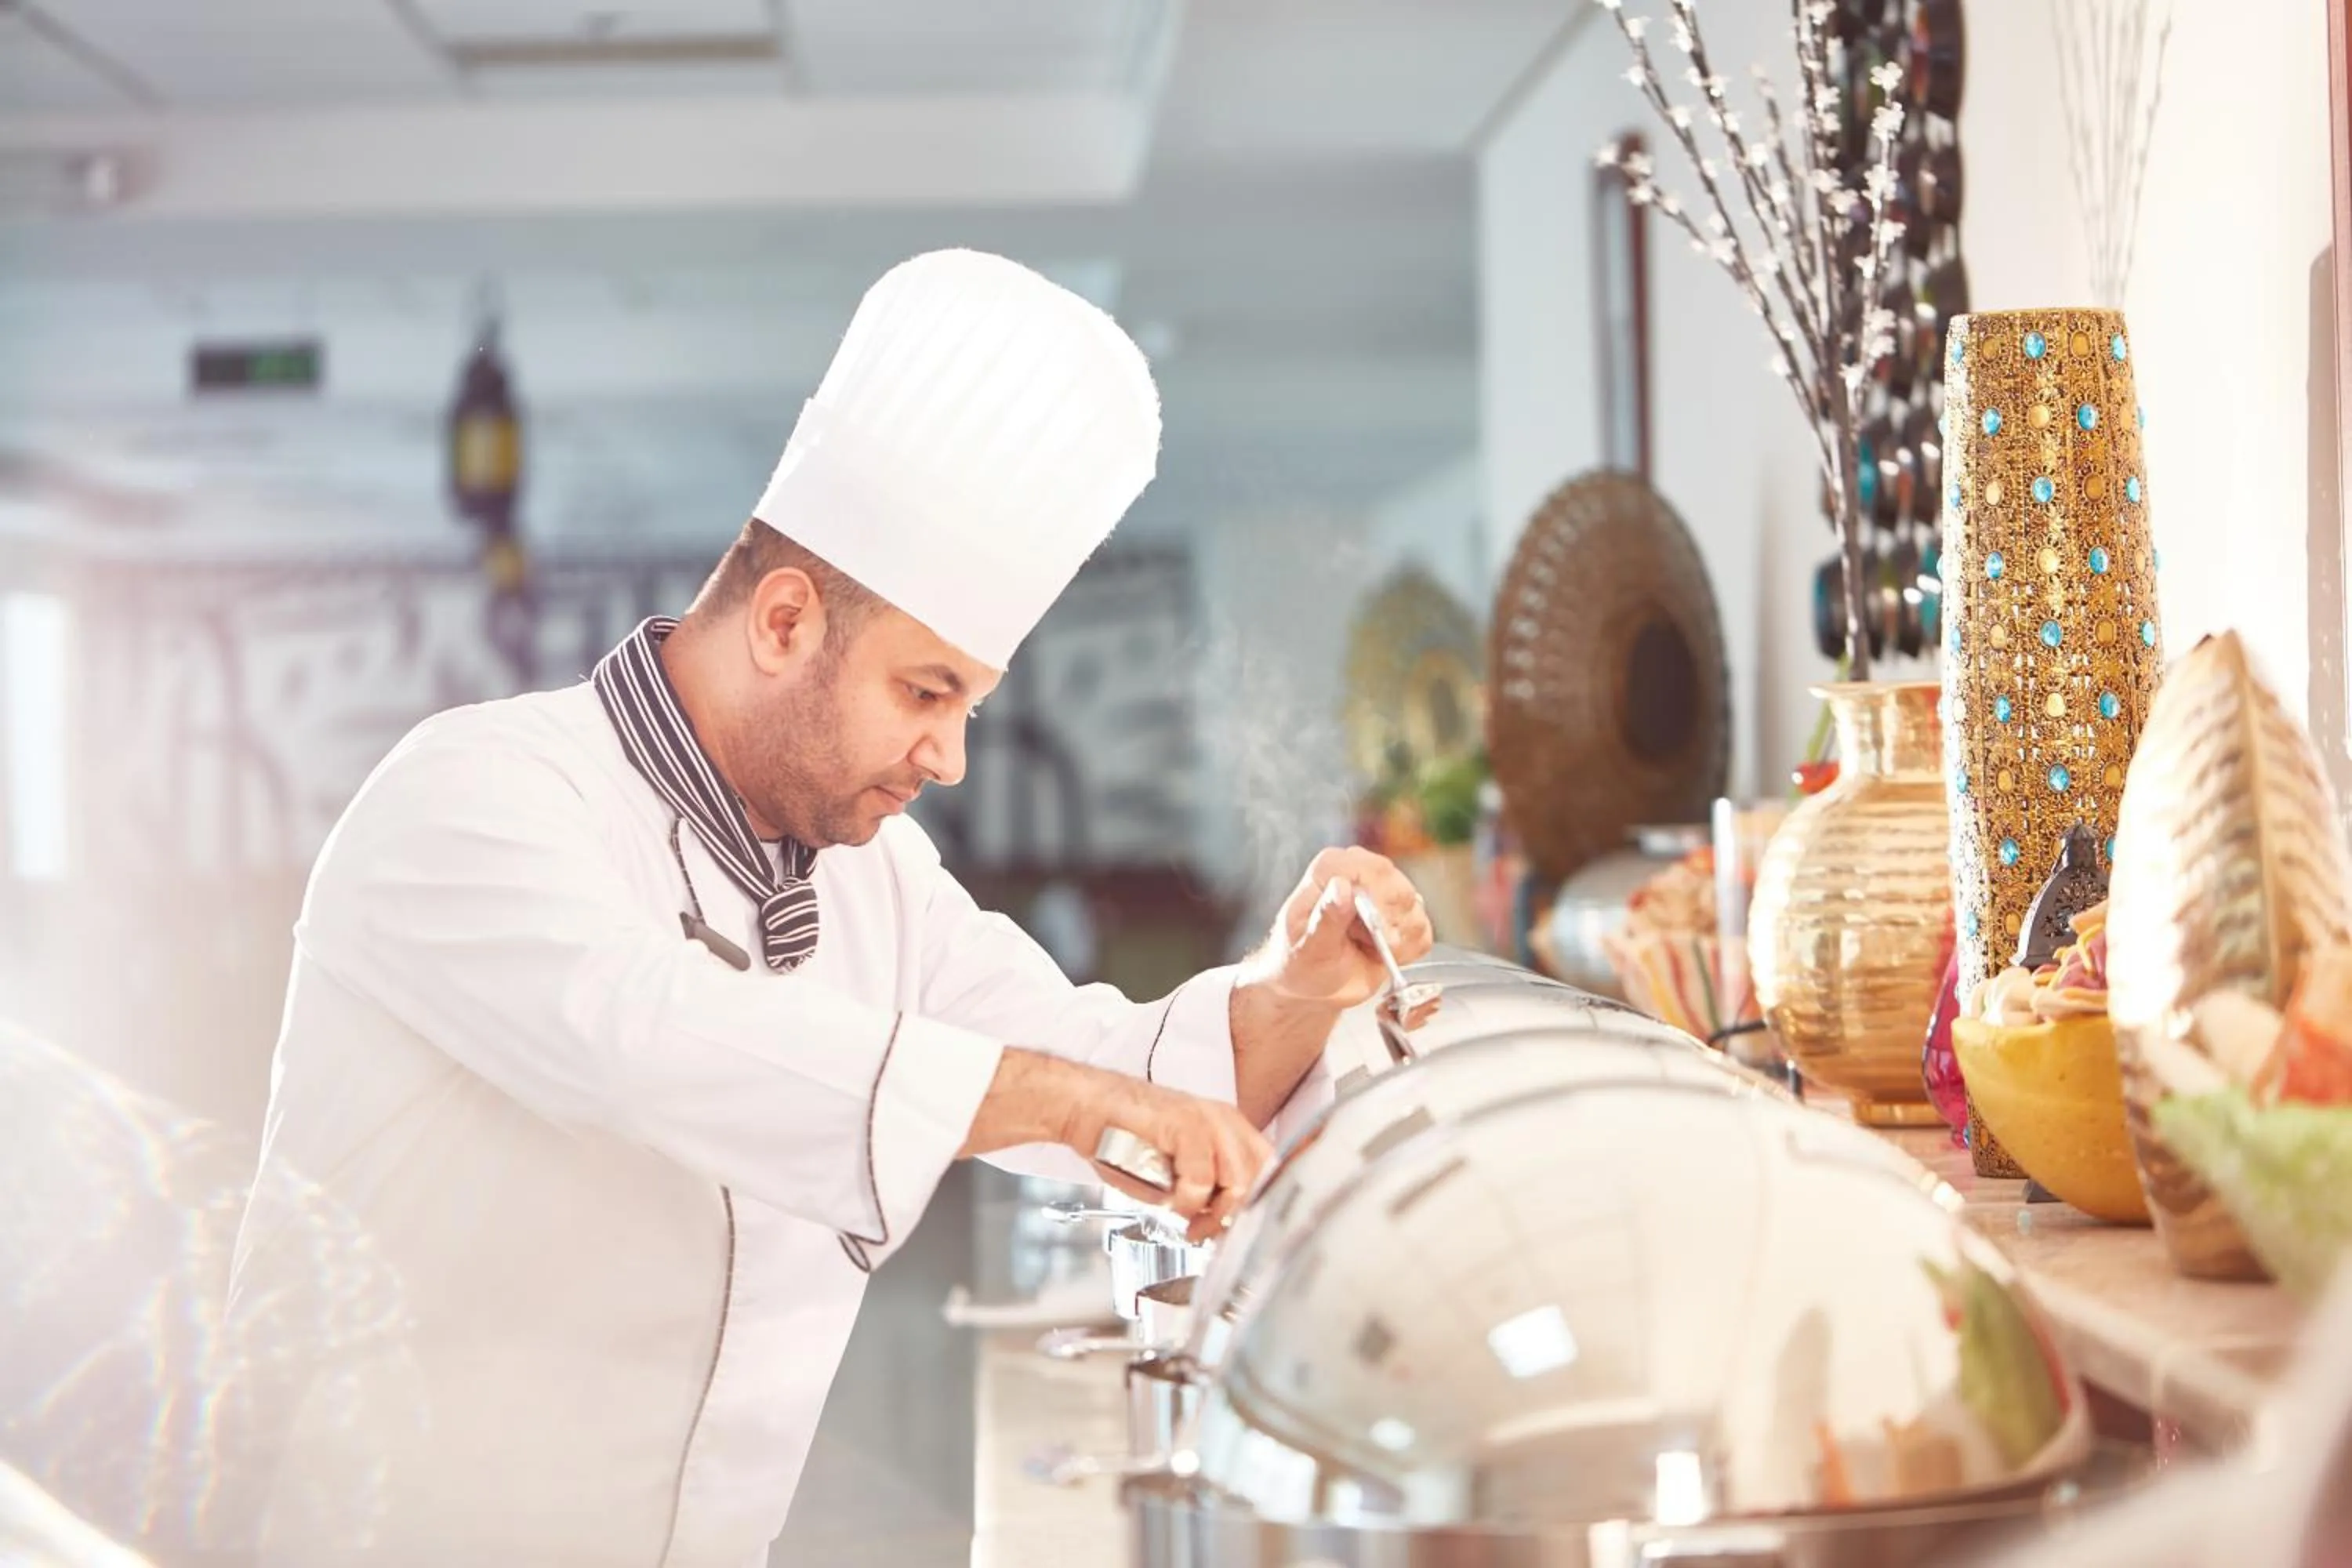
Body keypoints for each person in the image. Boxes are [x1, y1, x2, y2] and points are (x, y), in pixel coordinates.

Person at [227, 249, 1432, 1566]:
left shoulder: (875, 882)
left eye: (969, 706)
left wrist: (1294, 990)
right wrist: (1050, 1101)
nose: (952, 756)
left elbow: (1107, 1064)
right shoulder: (472, 793)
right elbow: (644, 1036)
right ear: (787, 622)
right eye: (926, 694)